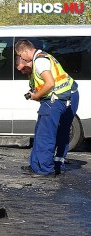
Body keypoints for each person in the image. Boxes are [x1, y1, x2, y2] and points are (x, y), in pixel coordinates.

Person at [15, 39, 79, 176]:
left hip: (54, 101)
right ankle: (39, 166)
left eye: (20, 55)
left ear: (26, 51)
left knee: (46, 137)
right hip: (58, 99)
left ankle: (46, 169)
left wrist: (37, 95)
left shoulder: (40, 61)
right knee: (43, 134)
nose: (21, 58)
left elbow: (49, 83)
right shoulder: (43, 57)